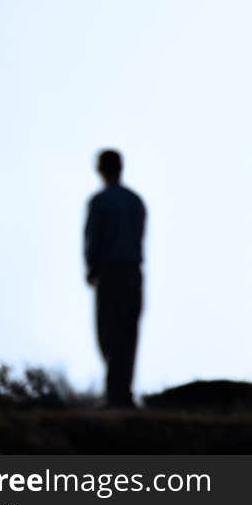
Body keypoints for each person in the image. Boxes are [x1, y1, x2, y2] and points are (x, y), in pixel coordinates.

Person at [84, 149, 146, 408]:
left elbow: (92, 239)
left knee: (109, 333)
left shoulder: (99, 201)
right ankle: (122, 392)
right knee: (127, 334)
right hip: (132, 272)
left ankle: (115, 395)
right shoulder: (135, 201)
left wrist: (91, 269)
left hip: (110, 273)